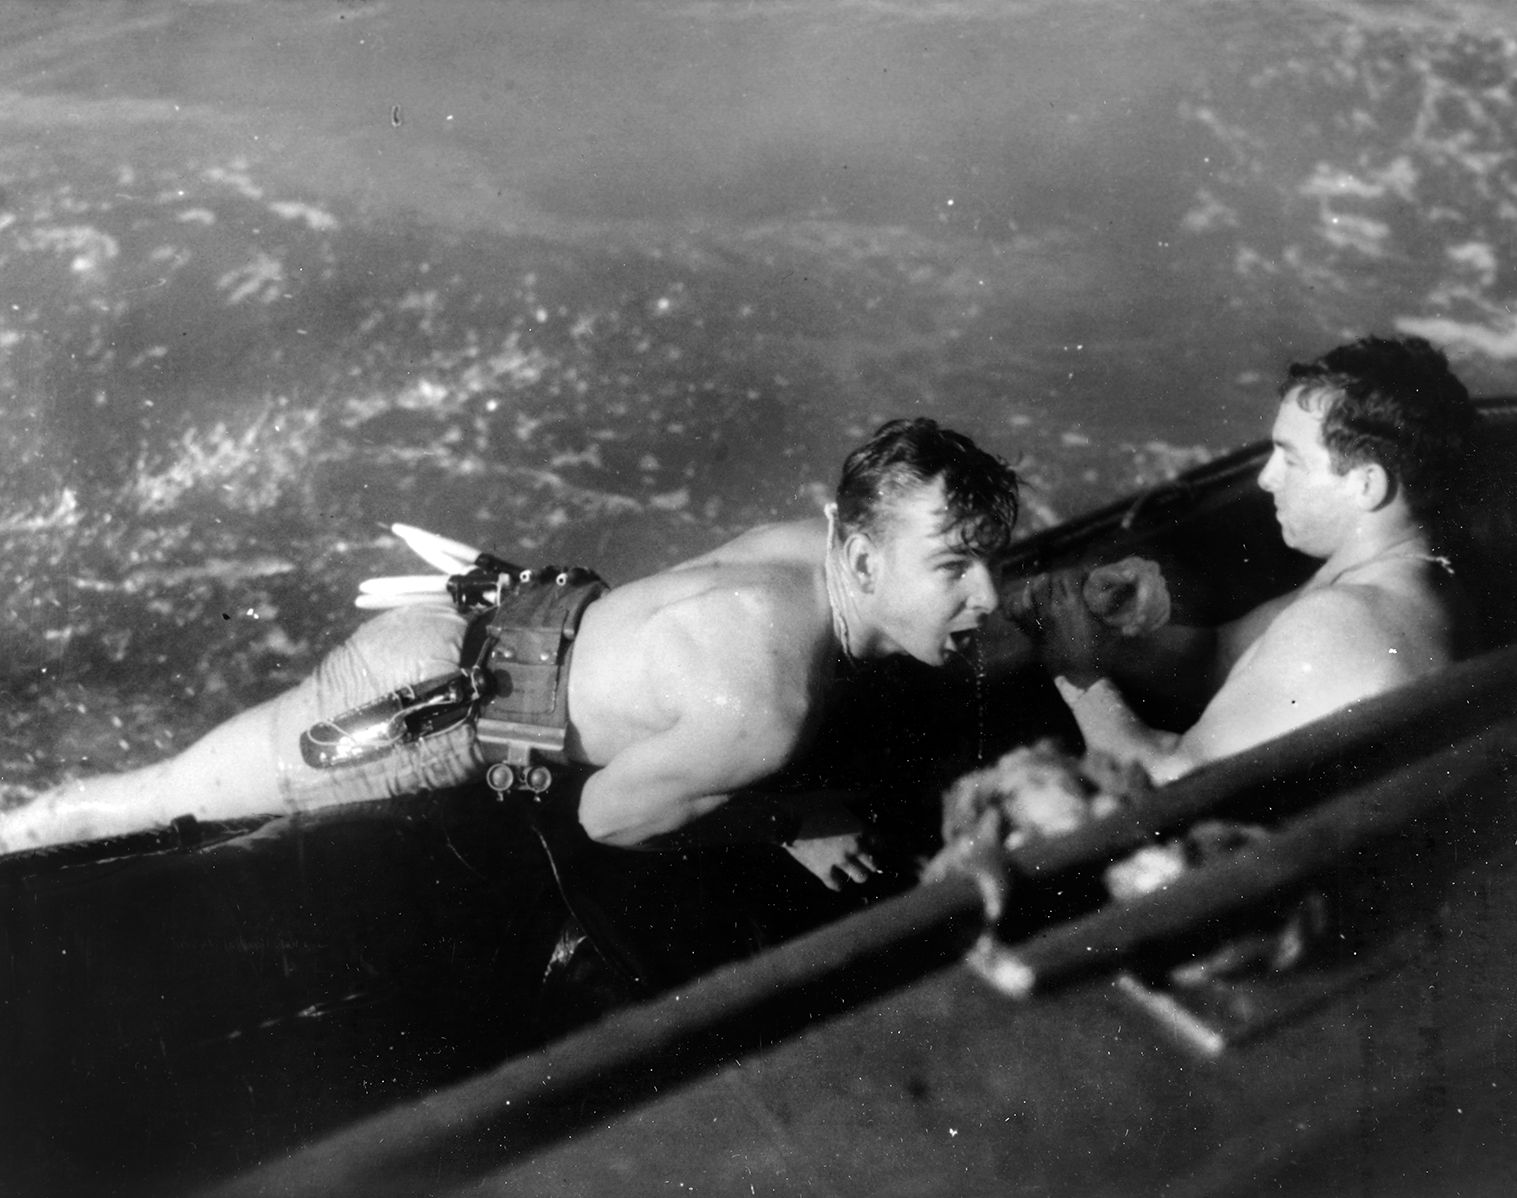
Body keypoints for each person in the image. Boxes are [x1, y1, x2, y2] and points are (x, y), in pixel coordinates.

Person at [1, 418, 1020, 891]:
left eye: (990, 564)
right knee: (152, 805)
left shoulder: (797, 549)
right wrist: (791, 820)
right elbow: (607, 815)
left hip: (481, 627)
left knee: (162, 788)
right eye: (953, 569)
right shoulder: (763, 708)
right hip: (421, 712)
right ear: (857, 554)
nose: (985, 594)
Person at [1017, 335, 1476, 783]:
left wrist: (1076, 672)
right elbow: (1222, 656)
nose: (1265, 478)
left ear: (1365, 486)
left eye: (1291, 460)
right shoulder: (1394, 578)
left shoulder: (1344, 625)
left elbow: (1168, 787)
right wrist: (1115, 631)